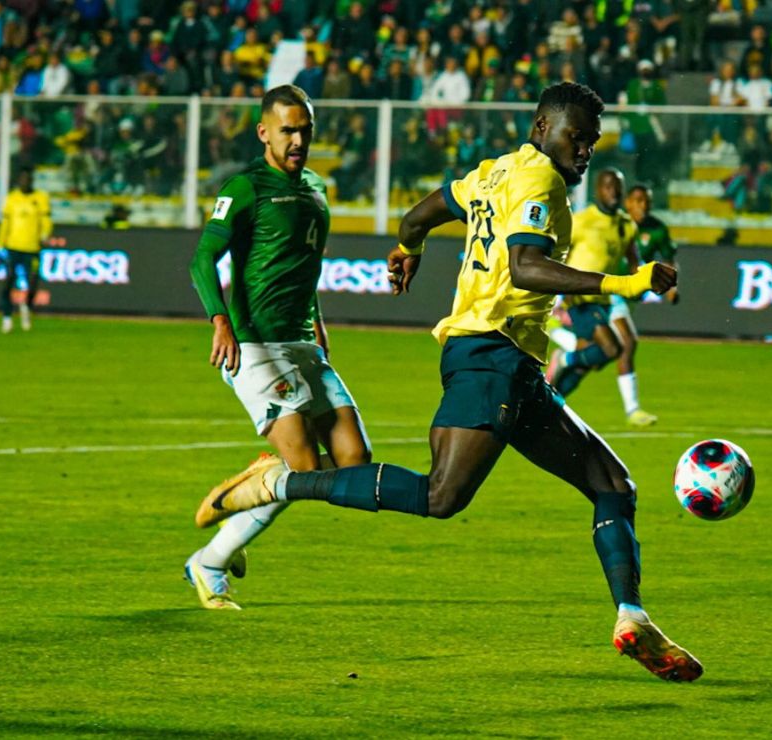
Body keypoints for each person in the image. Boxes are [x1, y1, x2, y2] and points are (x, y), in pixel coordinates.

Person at [193, 83, 698, 682]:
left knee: (614, 485)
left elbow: (418, 215)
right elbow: (527, 267)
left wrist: (409, 246)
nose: (585, 150)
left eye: (591, 141)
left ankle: (631, 615)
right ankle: (282, 483)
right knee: (441, 497)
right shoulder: (540, 181)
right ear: (542, 127)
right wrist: (626, 282)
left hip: (516, 367)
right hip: (489, 357)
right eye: (576, 137)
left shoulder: (491, 174)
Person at [186, 84, 372, 610]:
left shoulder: (316, 187)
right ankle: (211, 561)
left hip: (303, 341)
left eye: (305, 131)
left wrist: (319, 321)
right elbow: (203, 259)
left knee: (354, 463)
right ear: (264, 131)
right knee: (306, 471)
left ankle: (257, 488)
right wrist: (220, 321)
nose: (297, 140)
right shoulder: (244, 188)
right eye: (287, 130)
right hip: (255, 345)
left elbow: (302, 266)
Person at [543, 168, 654, 427]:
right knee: (613, 347)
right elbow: (559, 255)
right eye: (607, 186)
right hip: (580, 296)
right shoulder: (581, 220)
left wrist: (647, 279)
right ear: (597, 190)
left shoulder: (626, 225)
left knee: (586, 364)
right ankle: (564, 358)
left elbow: (633, 261)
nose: (612, 191)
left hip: (604, 300)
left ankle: (549, 405)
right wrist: (557, 293)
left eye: (617, 187)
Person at [0, 166, 51, 334]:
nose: (25, 182)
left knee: (32, 282)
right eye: (22, 179)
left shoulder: (40, 197)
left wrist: (45, 235)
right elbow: (5, 223)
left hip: (32, 247)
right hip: (13, 246)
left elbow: (46, 220)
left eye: (28, 179)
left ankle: (26, 307)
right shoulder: (12, 199)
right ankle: (7, 318)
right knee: (8, 282)